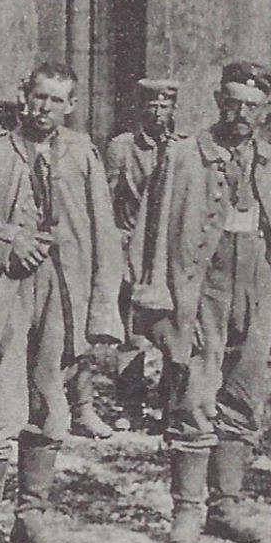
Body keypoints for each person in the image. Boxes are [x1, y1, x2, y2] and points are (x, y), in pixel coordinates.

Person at [0, 63, 124, 543]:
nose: (44, 108)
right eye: (37, 97)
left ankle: (31, 515)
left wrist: (102, 308)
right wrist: (5, 241)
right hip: (3, 294)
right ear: (24, 97)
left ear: (69, 106)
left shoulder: (82, 153)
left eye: (56, 100)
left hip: (62, 295)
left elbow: (104, 232)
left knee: (50, 405)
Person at [130, 61, 271, 543]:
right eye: (232, 104)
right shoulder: (184, 156)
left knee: (243, 394)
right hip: (201, 290)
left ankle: (225, 505)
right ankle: (188, 509)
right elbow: (156, 230)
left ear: (264, 111)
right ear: (218, 101)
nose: (241, 115)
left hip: (255, 287)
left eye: (252, 107)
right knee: (193, 392)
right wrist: (166, 301)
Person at [102, 77, 186, 434]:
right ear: (141, 108)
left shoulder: (185, 149)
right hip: (130, 246)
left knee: (172, 328)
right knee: (131, 332)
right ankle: (130, 403)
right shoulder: (122, 148)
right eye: (151, 105)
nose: (157, 112)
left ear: (174, 109)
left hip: (168, 252)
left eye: (164, 106)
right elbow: (105, 202)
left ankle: (169, 404)